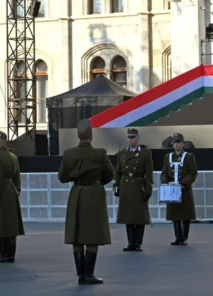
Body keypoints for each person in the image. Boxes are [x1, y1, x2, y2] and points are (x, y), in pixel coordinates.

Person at [58, 119, 114, 285]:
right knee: (92, 234)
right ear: (91, 135)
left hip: (77, 193)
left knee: (76, 234)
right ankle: (89, 274)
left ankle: (80, 274)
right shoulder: (100, 153)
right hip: (94, 194)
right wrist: (97, 183)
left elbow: (62, 177)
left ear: (78, 135)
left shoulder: (69, 154)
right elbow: (110, 174)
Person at [0, 130, 24, 263]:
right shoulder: (13, 156)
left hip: (1, 191)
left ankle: (5, 254)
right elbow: (17, 178)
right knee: (9, 224)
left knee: (1, 222)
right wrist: (16, 191)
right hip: (10, 191)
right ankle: (3, 251)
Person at [114, 128, 153, 252]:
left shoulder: (145, 153)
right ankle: (131, 242)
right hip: (126, 185)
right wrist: (116, 185)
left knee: (139, 216)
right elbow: (118, 171)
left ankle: (138, 243)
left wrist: (148, 188)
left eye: (133, 137)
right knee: (128, 216)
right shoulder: (122, 153)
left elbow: (148, 172)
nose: (131, 140)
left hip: (138, 185)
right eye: (129, 137)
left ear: (137, 138)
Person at [161, 133, 198, 246]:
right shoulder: (168, 157)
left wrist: (184, 182)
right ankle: (177, 236)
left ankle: (184, 237)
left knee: (185, 214)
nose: (176, 144)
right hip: (172, 189)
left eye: (178, 142)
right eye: (174, 142)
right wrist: (165, 181)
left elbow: (193, 172)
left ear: (182, 144)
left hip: (184, 188)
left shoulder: (189, 156)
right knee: (175, 214)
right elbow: (165, 172)